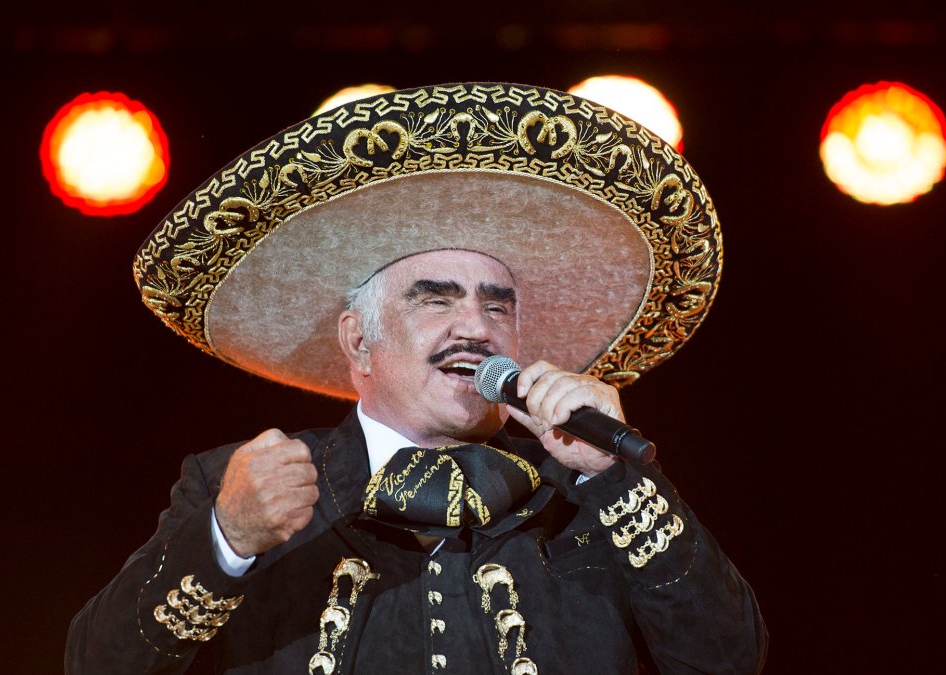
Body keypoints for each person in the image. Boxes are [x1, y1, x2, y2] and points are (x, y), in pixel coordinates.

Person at [67, 83, 766, 674]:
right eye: (436, 297)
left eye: (498, 304)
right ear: (357, 339)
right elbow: (95, 664)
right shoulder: (240, 486)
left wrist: (616, 480)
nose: (476, 326)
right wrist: (225, 540)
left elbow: (730, 657)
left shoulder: (583, 493)